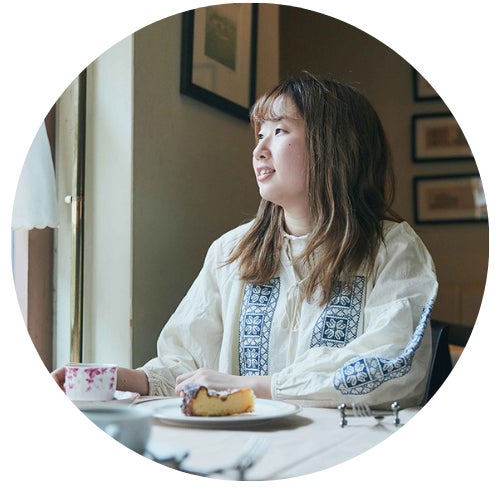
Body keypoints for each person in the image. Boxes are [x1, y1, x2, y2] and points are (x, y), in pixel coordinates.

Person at [53, 72, 438, 408]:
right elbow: (185, 365)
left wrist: (256, 387)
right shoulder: (231, 251)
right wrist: (117, 378)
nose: (259, 149)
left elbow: (396, 365)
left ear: (334, 145)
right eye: (260, 134)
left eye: (279, 131)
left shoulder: (394, 250)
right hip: (243, 449)